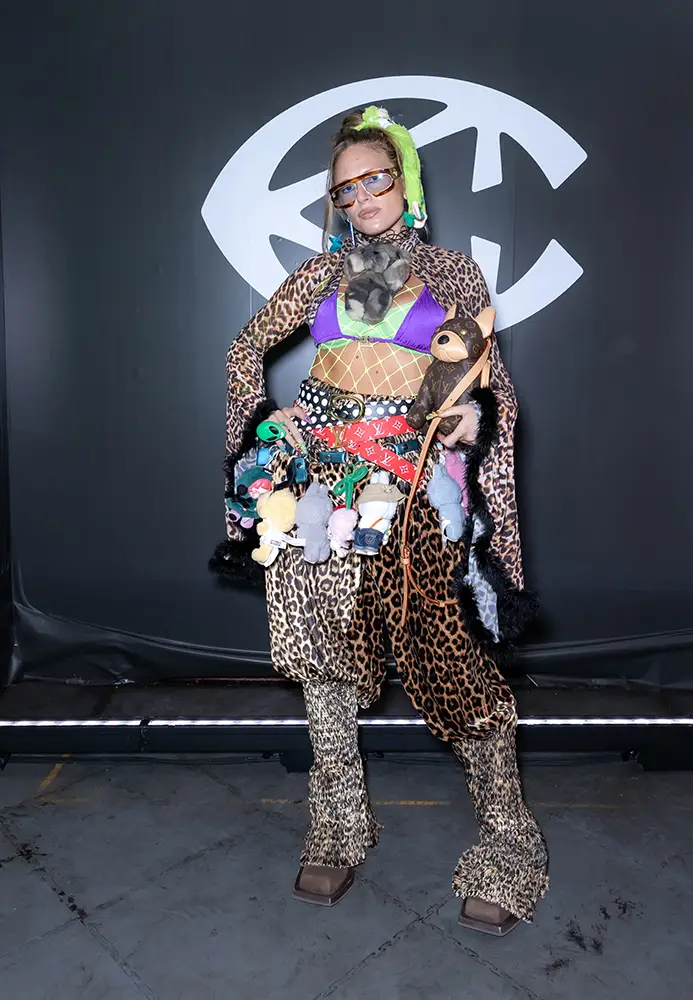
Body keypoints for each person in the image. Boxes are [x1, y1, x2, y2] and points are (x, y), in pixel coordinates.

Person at [211, 105, 549, 936]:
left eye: (376, 179)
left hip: (415, 485)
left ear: (406, 183)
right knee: (322, 658)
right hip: (322, 486)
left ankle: (509, 841)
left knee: (452, 661)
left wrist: (471, 422)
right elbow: (243, 350)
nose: (362, 197)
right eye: (345, 188)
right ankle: (338, 825)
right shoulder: (319, 276)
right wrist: (264, 423)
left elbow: (486, 382)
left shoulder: (452, 273)